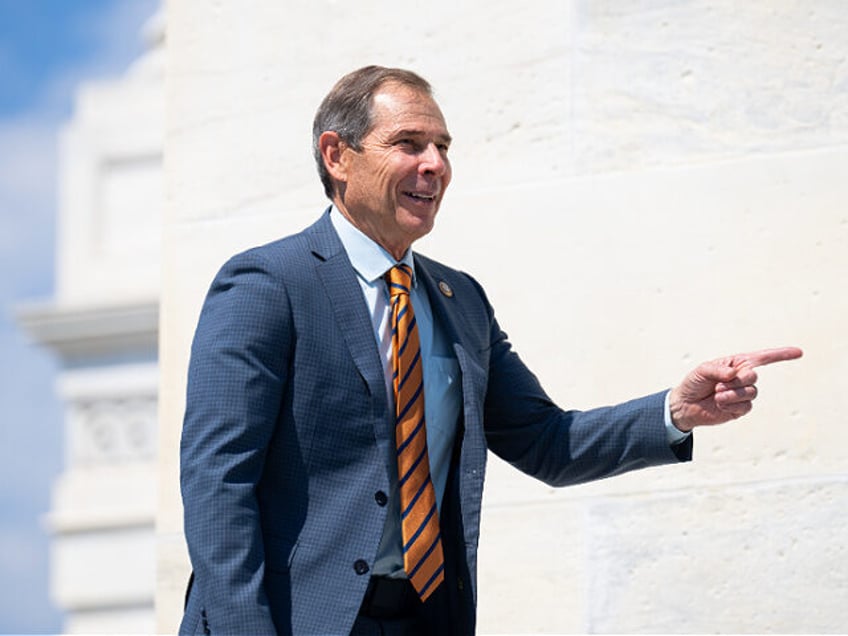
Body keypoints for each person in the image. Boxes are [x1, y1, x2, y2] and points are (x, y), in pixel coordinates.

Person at [179, 65, 802, 635]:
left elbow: (546, 442)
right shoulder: (267, 285)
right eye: (410, 144)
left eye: (443, 148)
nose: (436, 165)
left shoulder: (460, 302)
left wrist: (675, 412)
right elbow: (217, 484)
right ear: (337, 155)